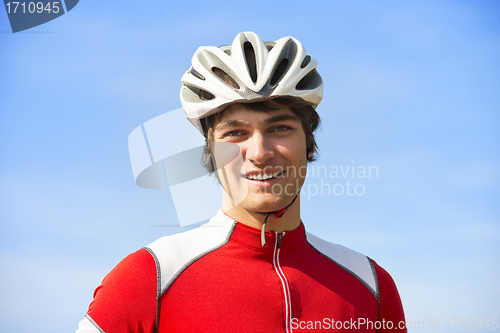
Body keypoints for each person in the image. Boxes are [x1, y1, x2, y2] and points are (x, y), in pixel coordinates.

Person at [76, 32, 406, 333]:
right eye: (235, 133)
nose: (259, 153)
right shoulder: (151, 277)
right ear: (210, 150)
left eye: (280, 128)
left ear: (309, 142)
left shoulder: (372, 287)